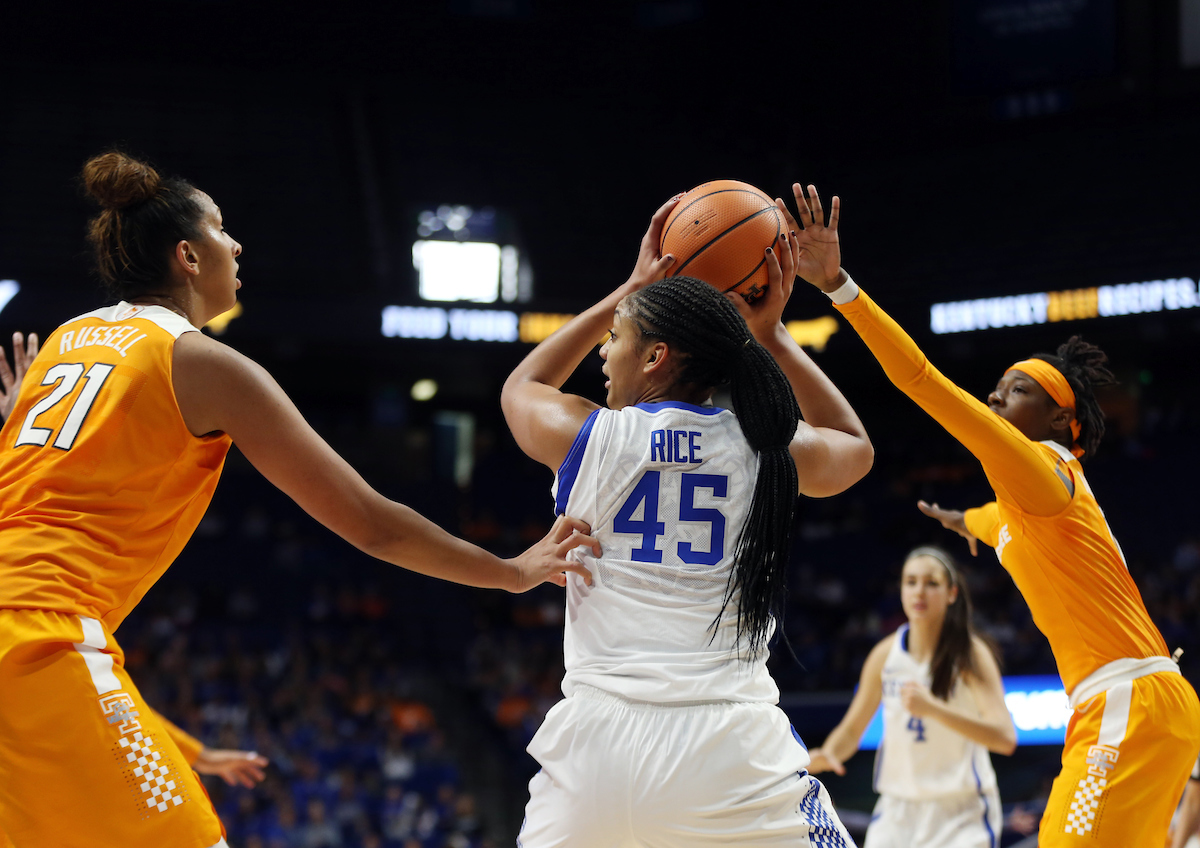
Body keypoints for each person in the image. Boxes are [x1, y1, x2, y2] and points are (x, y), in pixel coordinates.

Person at [0, 151, 598, 848]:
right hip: (39, 633)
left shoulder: (67, 342)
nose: (237, 243)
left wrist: (15, 421)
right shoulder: (200, 361)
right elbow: (371, 522)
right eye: (221, 230)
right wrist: (511, 570)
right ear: (188, 257)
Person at [787, 183, 1200, 846]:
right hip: (1147, 703)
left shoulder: (1043, 468)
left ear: (1061, 420)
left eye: (1019, 389)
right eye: (999, 385)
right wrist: (960, 522)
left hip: (1129, 701)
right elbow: (993, 524)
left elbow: (920, 377)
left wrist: (839, 288)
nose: (997, 394)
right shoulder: (1025, 508)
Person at [500, 194, 875, 846]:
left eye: (616, 339)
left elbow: (520, 388)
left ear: (653, 358)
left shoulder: (588, 435)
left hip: (597, 754)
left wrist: (632, 286)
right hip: (731, 751)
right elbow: (854, 445)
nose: (603, 353)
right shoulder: (766, 447)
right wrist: (772, 336)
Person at [807, 546, 1015, 847]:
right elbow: (852, 728)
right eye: (911, 582)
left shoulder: (970, 653)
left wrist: (934, 709)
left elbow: (1004, 738)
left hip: (960, 811)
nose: (920, 591)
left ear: (952, 593)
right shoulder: (884, 655)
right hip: (897, 810)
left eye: (931, 583)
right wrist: (829, 753)